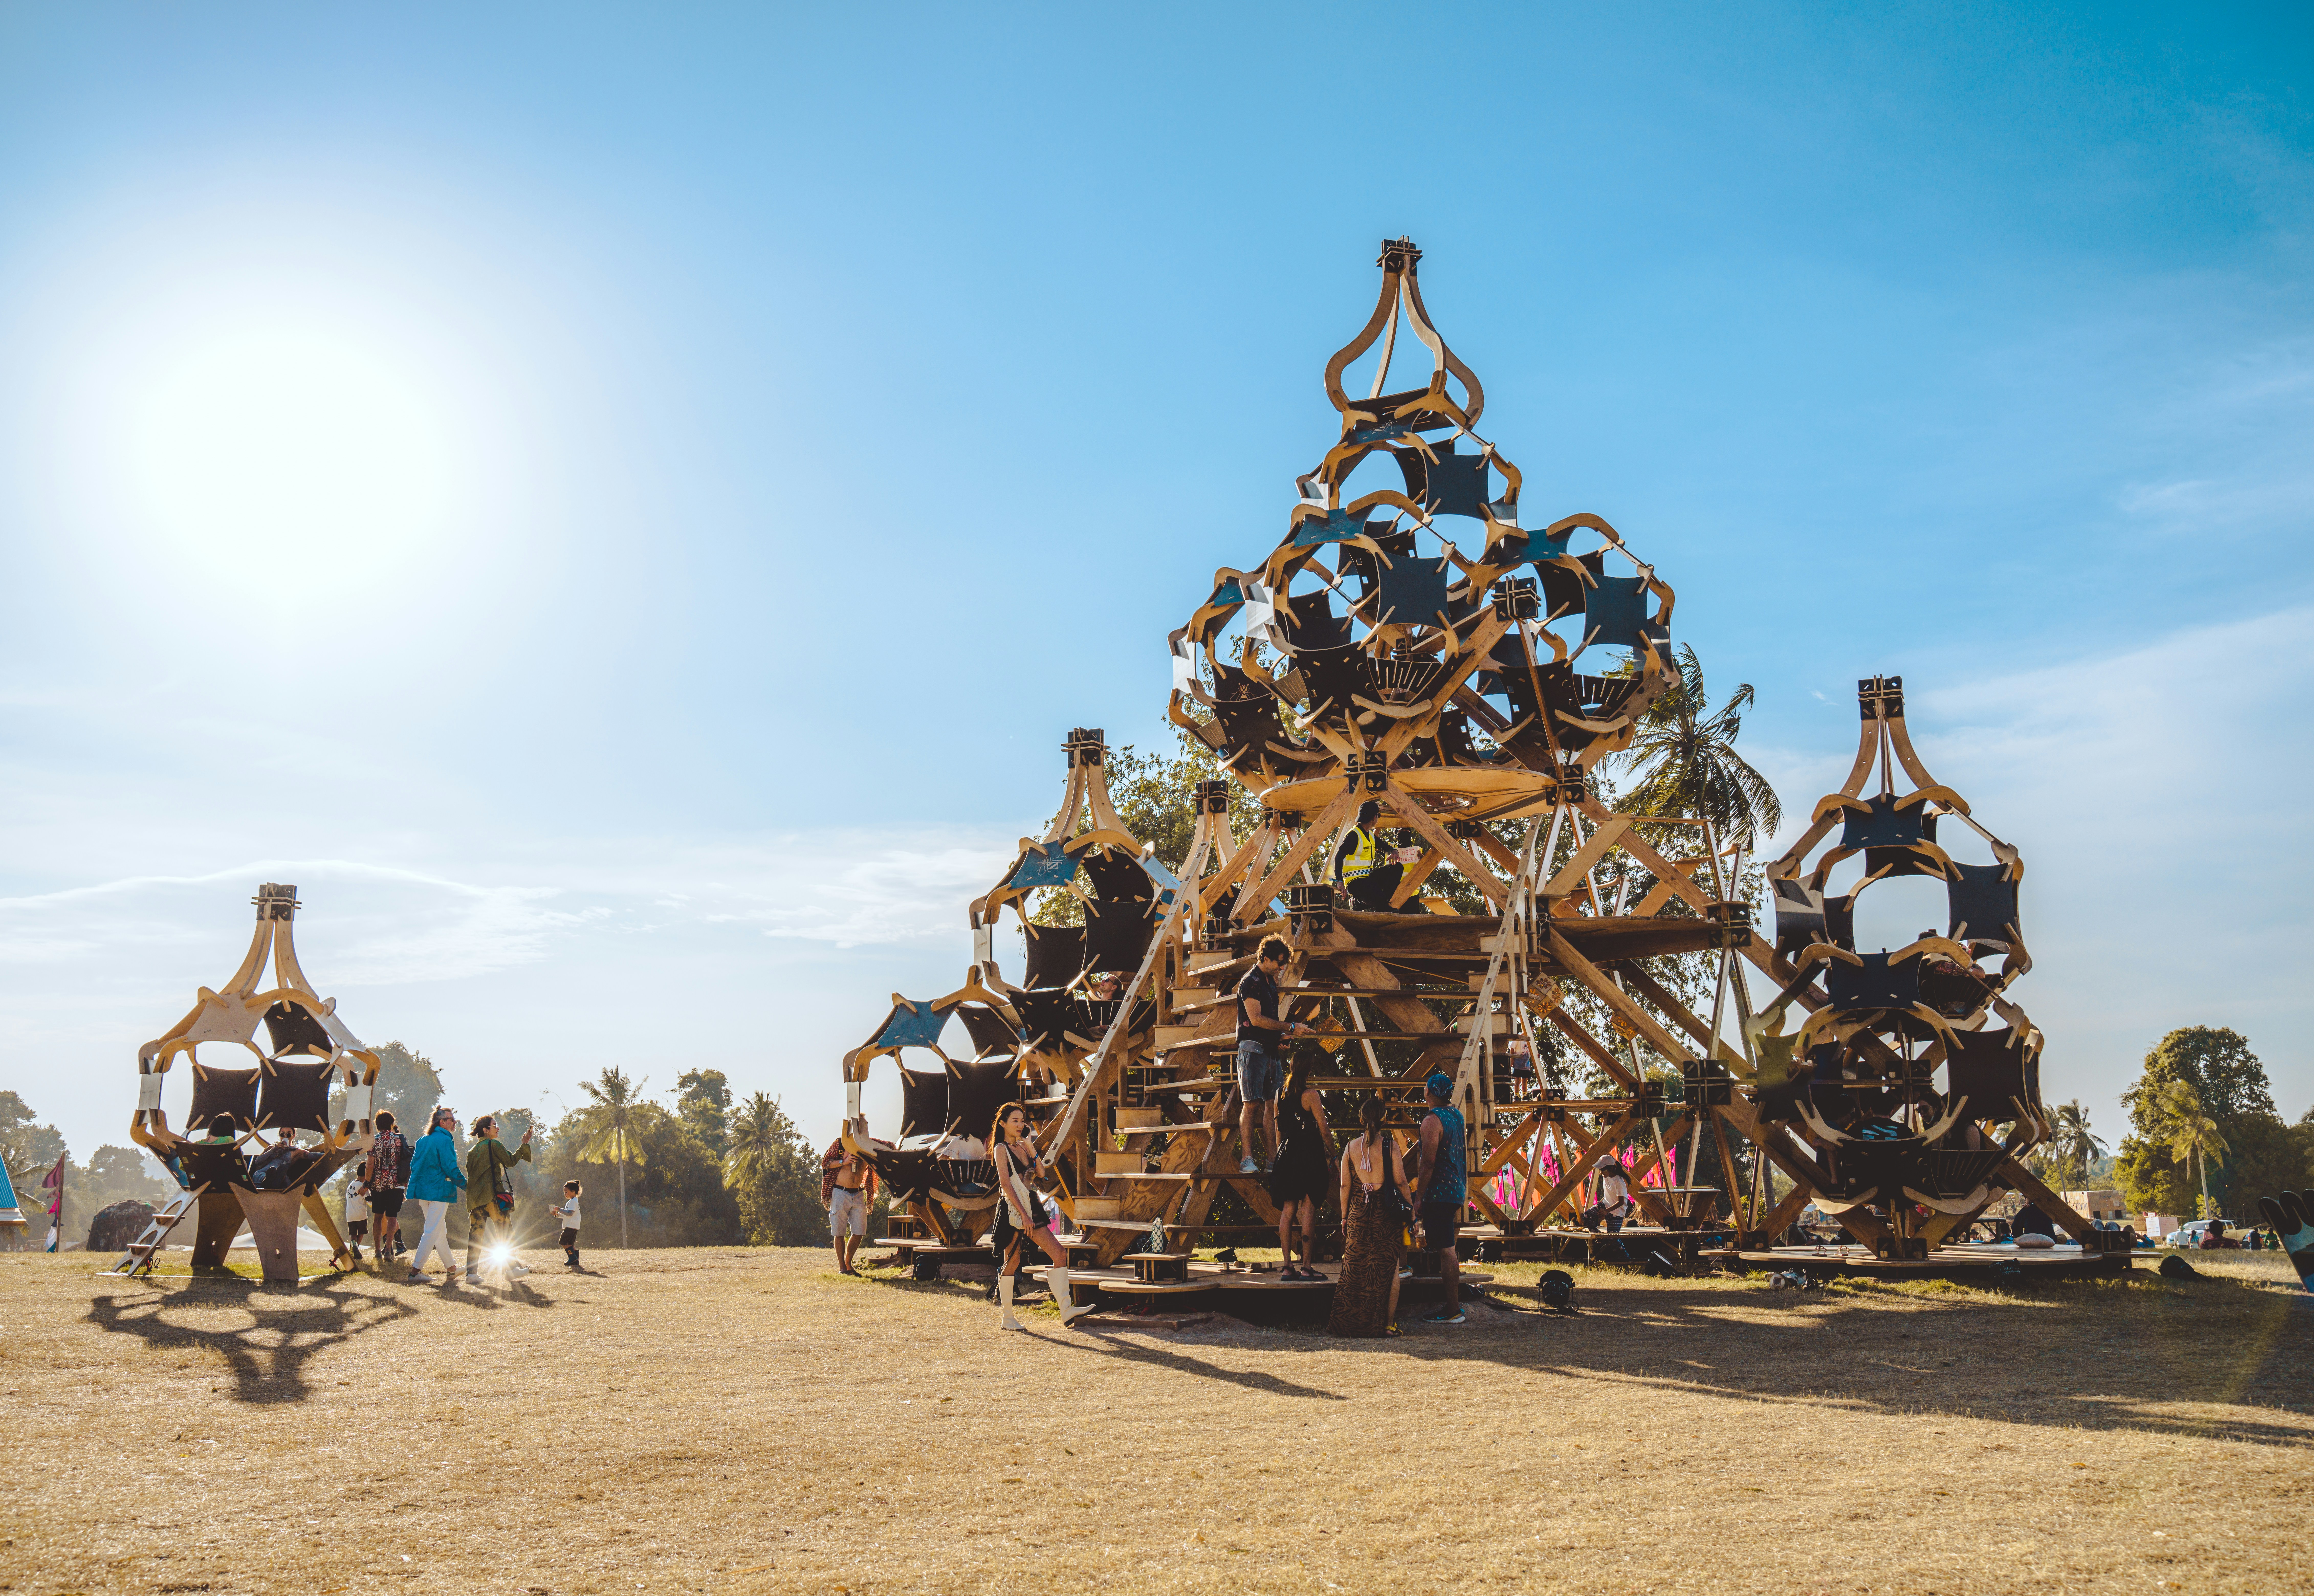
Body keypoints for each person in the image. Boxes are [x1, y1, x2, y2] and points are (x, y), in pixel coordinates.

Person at [989, 1102, 1088, 1331]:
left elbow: (1042, 1174)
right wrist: (1024, 1216)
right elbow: (1005, 1184)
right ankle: (1007, 1317)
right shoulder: (1000, 1149)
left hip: (1032, 1205)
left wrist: (1031, 1148)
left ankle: (1066, 1309)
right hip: (1013, 1210)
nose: (1020, 1125)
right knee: (1012, 1262)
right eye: (1015, 1121)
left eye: (1022, 1121)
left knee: (1059, 1253)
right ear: (1003, 1124)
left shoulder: (1024, 1147)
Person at [1329, 1096, 1411, 1336]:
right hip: (1386, 1211)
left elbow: (1345, 1186)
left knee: (1355, 1266)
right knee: (1390, 1267)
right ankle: (1388, 1324)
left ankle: (1351, 1323)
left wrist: (1345, 1218)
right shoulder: (1390, 1147)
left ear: (1361, 1119)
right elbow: (1400, 1181)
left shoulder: (1351, 1147)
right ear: (1384, 1119)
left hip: (1359, 1210)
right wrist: (1412, 1212)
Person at [1234, 935, 1311, 1175]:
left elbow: (1266, 1023)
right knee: (1251, 1105)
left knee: (1273, 1105)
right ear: (1264, 958)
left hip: (1268, 1051)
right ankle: (1247, 1158)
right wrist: (1289, 1028)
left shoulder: (1269, 980)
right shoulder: (1250, 982)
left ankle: (1272, 1160)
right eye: (1278, 963)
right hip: (1252, 1052)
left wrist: (1280, 1039)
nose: (1281, 967)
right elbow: (1256, 1019)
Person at [1267, 1053, 1333, 1280]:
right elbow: (1324, 1130)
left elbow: (1279, 1129)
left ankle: (1287, 1266)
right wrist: (1333, 1153)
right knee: (1308, 1209)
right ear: (1310, 1072)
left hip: (1287, 1153)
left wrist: (1280, 1154)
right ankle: (1306, 1267)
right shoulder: (1311, 1095)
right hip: (1310, 1154)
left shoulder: (1279, 1095)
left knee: (1288, 1209)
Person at [1410, 1071, 1467, 1325]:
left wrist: (1418, 1197)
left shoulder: (1431, 1121)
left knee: (1447, 1250)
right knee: (1447, 1247)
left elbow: (1428, 1162)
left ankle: (1453, 1309)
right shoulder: (1456, 1116)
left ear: (1428, 1093)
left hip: (1439, 1191)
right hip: (1455, 1187)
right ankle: (1451, 1304)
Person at [464, 1115, 533, 1283]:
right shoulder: (494, 1144)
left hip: (475, 1200)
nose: (498, 1128)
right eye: (495, 1125)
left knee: (476, 1236)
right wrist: (524, 1145)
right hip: (493, 1197)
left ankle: (471, 1274)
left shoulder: (472, 1152)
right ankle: (511, 1269)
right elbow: (510, 1162)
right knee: (505, 1232)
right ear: (486, 1131)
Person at [403, 1107, 467, 1286]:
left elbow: (414, 1165)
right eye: (451, 1120)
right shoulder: (445, 1140)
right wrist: (467, 1186)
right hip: (439, 1190)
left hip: (424, 1192)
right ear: (442, 1122)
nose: (454, 1122)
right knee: (432, 1231)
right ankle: (415, 1272)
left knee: (439, 1231)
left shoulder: (423, 1140)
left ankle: (452, 1270)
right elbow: (451, 1168)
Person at [1330, 800, 1424, 912]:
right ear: (1374, 818)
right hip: (1354, 882)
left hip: (1368, 879)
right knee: (1378, 897)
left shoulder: (1369, 835)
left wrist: (1393, 851)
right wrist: (1340, 881)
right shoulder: (1354, 835)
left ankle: (1382, 907)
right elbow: (1338, 857)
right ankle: (1357, 903)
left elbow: (1384, 846)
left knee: (1397, 867)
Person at [821, 1129, 879, 1275]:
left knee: (859, 1231)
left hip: (858, 1194)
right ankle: (843, 1268)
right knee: (839, 1232)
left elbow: (890, 1147)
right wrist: (844, 1161)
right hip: (840, 1192)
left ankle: (848, 1264)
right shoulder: (840, 1144)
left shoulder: (868, 1145)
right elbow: (825, 1163)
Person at [364, 1110, 411, 1261]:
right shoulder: (399, 1140)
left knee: (378, 1218)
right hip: (397, 1184)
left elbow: (370, 1164)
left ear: (377, 1125)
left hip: (378, 1185)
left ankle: (378, 1251)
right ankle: (389, 1250)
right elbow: (407, 1161)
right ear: (392, 1124)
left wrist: (367, 1182)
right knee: (392, 1217)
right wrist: (405, 1182)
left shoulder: (374, 1141)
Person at [1590, 1159, 1633, 1233]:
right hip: (1606, 1204)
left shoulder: (1619, 1182)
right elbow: (1604, 1157)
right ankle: (1599, 1237)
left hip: (1617, 1212)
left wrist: (1606, 1211)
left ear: (1612, 1168)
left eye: (1603, 1170)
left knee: (1613, 1238)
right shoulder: (1606, 1176)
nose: (1601, 1172)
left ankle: (1610, 1242)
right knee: (1587, 1216)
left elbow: (1621, 1202)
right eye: (1600, 1170)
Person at [548, 1180, 583, 1270]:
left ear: (574, 1192)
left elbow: (570, 1213)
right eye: (564, 1192)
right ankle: (576, 1261)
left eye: (567, 1192)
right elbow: (567, 1215)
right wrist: (558, 1214)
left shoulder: (573, 1201)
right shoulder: (572, 1201)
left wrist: (560, 1209)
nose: (565, 1194)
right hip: (574, 1225)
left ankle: (572, 1258)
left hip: (571, 1226)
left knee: (563, 1242)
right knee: (570, 1243)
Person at [344, 1173, 369, 1263]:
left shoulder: (351, 1185)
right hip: (361, 1214)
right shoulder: (363, 1186)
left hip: (350, 1215)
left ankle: (354, 1247)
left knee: (353, 1233)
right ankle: (356, 1249)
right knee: (362, 1232)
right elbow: (369, 1199)